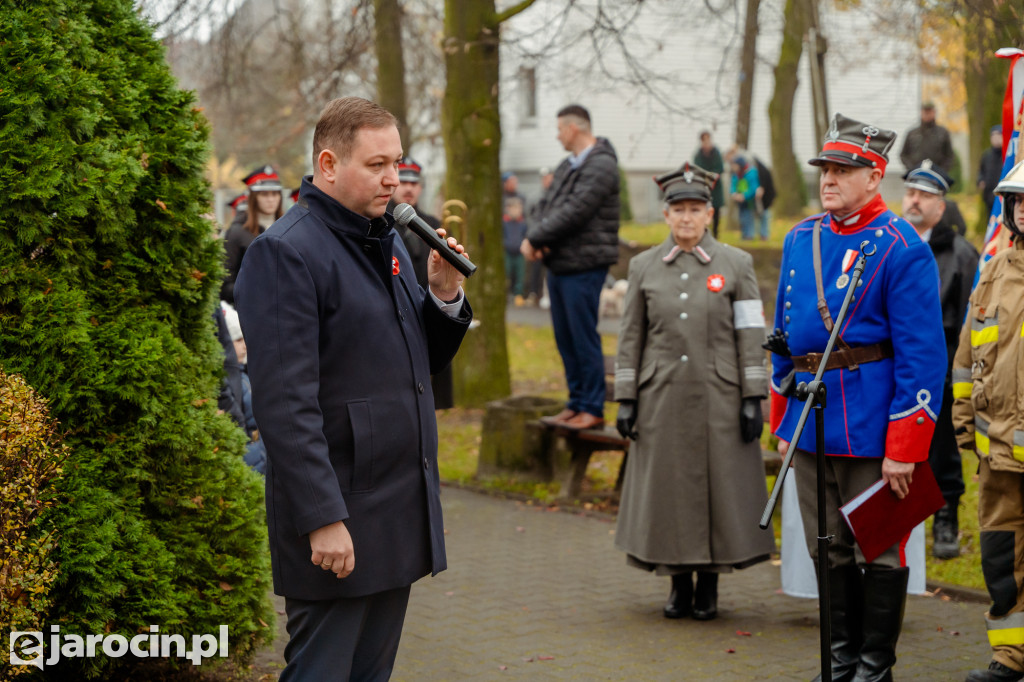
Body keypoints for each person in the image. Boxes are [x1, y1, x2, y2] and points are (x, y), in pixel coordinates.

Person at [234, 96, 472, 681]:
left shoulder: (383, 236)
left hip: (393, 506)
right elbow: (286, 404)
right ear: (329, 163)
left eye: (397, 162)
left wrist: (442, 297)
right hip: (338, 517)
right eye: (377, 164)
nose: (394, 178)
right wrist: (322, 518)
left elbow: (416, 363)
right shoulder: (286, 252)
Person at [768, 112, 946, 682]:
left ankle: (875, 667)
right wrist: (781, 422)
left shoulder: (901, 248)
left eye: (845, 169)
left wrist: (906, 446)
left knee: (879, 547)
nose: (829, 179)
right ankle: (841, 661)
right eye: (826, 168)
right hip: (809, 418)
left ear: (875, 177)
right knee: (828, 549)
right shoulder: (801, 239)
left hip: (873, 426)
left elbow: (923, 357)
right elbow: (784, 336)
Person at [613, 162, 774, 621]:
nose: (686, 218)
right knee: (669, 493)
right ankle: (678, 585)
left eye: (695, 209)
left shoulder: (736, 264)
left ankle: (710, 588)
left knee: (719, 491)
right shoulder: (644, 266)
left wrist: (751, 397)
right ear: (665, 215)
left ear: (709, 214)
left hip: (719, 396)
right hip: (660, 396)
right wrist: (627, 398)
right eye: (678, 209)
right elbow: (631, 337)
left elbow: (749, 333)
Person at [955, 160, 1024, 682]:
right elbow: (965, 358)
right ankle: (1010, 657)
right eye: (1019, 201)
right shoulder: (995, 274)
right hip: (998, 455)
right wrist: (964, 423)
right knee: (1003, 561)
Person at [522, 104, 620, 430]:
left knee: (582, 336)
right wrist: (539, 238)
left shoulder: (602, 164)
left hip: (585, 265)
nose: (557, 134)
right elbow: (545, 205)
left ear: (574, 128)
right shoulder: (568, 165)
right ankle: (576, 402)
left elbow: (577, 210)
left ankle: (592, 407)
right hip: (561, 263)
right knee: (565, 339)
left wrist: (536, 238)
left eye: (560, 128)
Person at [901, 161, 980, 559]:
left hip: (942, 370)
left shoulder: (961, 254)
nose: (915, 201)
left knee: (941, 449)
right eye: (911, 192)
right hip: (893, 366)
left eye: (925, 195)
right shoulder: (888, 243)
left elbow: (971, 319)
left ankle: (945, 517)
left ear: (941, 205)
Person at [385, 156, 454, 409]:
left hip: (430, 305)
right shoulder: (381, 221)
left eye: (414, 183)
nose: (409, 188)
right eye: (403, 181)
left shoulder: (432, 224)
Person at [220, 165, 284, 304]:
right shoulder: (237, 232)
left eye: (275, 193)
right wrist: (255, 290)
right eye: (264, 194)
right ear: (253, 197)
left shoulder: (289, 228)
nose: (271, 199)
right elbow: (225, 285)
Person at [899, 101, 954, 173]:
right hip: (916, 175)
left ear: (934, 112)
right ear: (921, 113)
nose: (927, 114)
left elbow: (949, 156)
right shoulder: (912, 133)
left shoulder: (943, 133)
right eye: (925, 112)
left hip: (936, 176)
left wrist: (941, 171)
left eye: (929, 112)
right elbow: (903, 155)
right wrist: (912, 169)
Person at [693, 131, 725, 238]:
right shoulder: (698, 154)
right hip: (703, 186)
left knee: (716, 211)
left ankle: (715, 234)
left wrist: (712, 176)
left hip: (715, 187)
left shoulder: (716, 153)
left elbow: (720, 168)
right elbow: (697, 169)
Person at [503, 196, 527, 304]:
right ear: (508, 209)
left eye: (519, 208)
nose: (517, 211)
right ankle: (505, 294)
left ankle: (518, 294)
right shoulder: (504, 222)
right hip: (507, 252)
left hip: (520, 253)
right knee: (506, 273)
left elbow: (525, 236)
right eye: (515, 208)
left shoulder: (523, 223)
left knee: (520, 275)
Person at [729, 153, 760, 240]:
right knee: (742, 217)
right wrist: (734, 194)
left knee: (749, 217)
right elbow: (733, 186)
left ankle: (750, 235)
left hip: (749, 200)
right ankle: (744, 234)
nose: (733, 167)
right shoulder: (736, 175)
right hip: (739, 200)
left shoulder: (751, 173)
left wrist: (744, 196)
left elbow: (753, 188)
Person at [978, 125, 1004, 218]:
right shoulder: (986, 155)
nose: (996, 139)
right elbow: (981, 171)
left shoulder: (1007, 155)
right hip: (989, 195)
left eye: (998, 136)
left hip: (1003, 195)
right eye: (993, 136)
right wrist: (981, 181)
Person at [753, 156, 775, 241]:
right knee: (761, 216)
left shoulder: (762, 171)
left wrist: (761, 188)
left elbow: (764, 184)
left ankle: (764, 234)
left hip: (766, 198)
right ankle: (761, 234)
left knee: (765, 216)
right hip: (763, 198)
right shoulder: (759, 170)